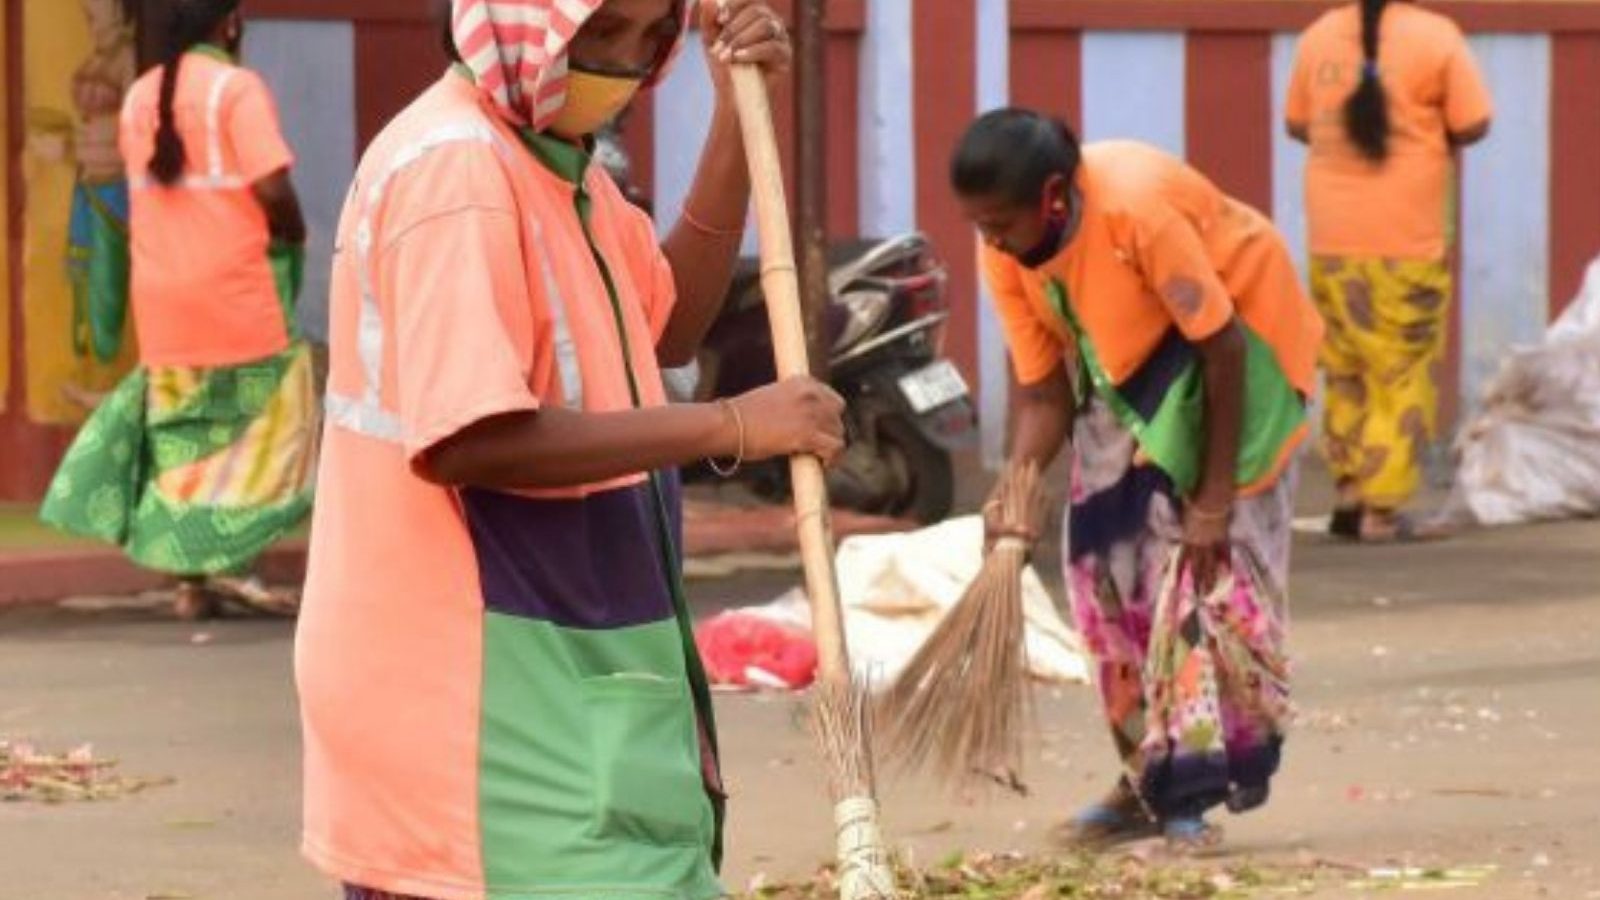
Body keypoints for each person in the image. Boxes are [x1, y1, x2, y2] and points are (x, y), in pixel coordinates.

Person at [295, 1, 842, 898]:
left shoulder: (560, 169)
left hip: (566, 658)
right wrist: (734, 426)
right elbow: (472, 436)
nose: (624, 66)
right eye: (599, 34)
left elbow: (667, 326)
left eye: (650, 38)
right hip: (475, 689)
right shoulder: (457, 170)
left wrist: (739, 115)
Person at [953, 110, 1323, 849]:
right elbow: (1043, 393)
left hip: (1237, 355)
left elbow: (1218, 346)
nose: (990, 239)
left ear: (1054, 196)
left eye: (1000, 223)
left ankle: (1188, 788)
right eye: (978, 224)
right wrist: (1016, 487)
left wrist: (1214, 499)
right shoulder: (1003, 246)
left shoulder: (1132, 210)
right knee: (1104, 571)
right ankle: (1145, 777)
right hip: (1127, 372)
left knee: (1200, 578)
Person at [40, 0, 314, 620]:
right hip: (236, 298)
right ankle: (231, 566)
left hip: (163, 304)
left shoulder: (139, 98)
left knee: (184, 442)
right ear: (230, 23)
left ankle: (192, 582)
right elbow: (272, 188)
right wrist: (295, 234)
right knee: (270, 427)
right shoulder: (235, 90)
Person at [1287, 0, 1493, 542]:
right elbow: (1473, 122)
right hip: (1406, 239)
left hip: (1331, 237)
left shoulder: (1318, 36)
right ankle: (1382, 511)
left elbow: (1298, 123)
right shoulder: (1436, 36)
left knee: (1348, 369)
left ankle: (1351, 494)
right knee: (1400, 375)